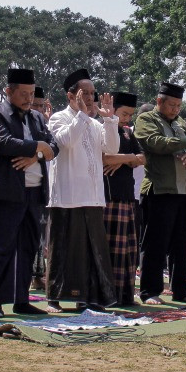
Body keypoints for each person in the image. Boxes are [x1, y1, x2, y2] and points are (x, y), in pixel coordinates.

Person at [44, 69, 119, 312]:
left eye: (92, 93)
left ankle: (88, 297)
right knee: (63, 248)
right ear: (70, 95)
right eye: (84, 93)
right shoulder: (59, 118)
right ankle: (55, 297)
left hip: (93, 197)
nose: (89, 97)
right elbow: (65, 141)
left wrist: (109, 120)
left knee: (91, 250)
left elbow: (112, 148)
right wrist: (84, 116)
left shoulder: (94, 123)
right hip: (68, 197)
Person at [0, 69, 57, 317]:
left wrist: (34, 155)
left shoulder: (36, 117)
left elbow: (53, 145)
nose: (28, 98)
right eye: (23, 94)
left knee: (28, 247)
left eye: (31, 93)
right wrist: (37, 148)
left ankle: (21, 299)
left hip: (35, 192)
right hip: (6, 192)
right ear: (9, 92)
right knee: (2, 248)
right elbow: (2, 143)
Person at [135, 82, 186, 305]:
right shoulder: (146, 120)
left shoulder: (180, 123)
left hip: (184, 189)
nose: (176, 109)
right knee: (156, 242)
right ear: (159, 102)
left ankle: (181, 290)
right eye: (172, 105)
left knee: (181, 242)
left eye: (178, 105)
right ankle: (149, 291)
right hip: (159, 189)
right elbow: (154, 143)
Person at [102, 91, 144, 305]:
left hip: (128, 197)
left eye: (130, 115)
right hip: (109, 198)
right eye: (124, 114)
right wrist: (128, 158)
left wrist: (123, 160)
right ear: (112, 110)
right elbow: (105, 158)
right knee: (110, 251)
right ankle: (109, 296)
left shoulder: (128, 133)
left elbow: (143, 157)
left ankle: (126, 295)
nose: (127, 119)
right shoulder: (102, 128)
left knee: (128, 250)